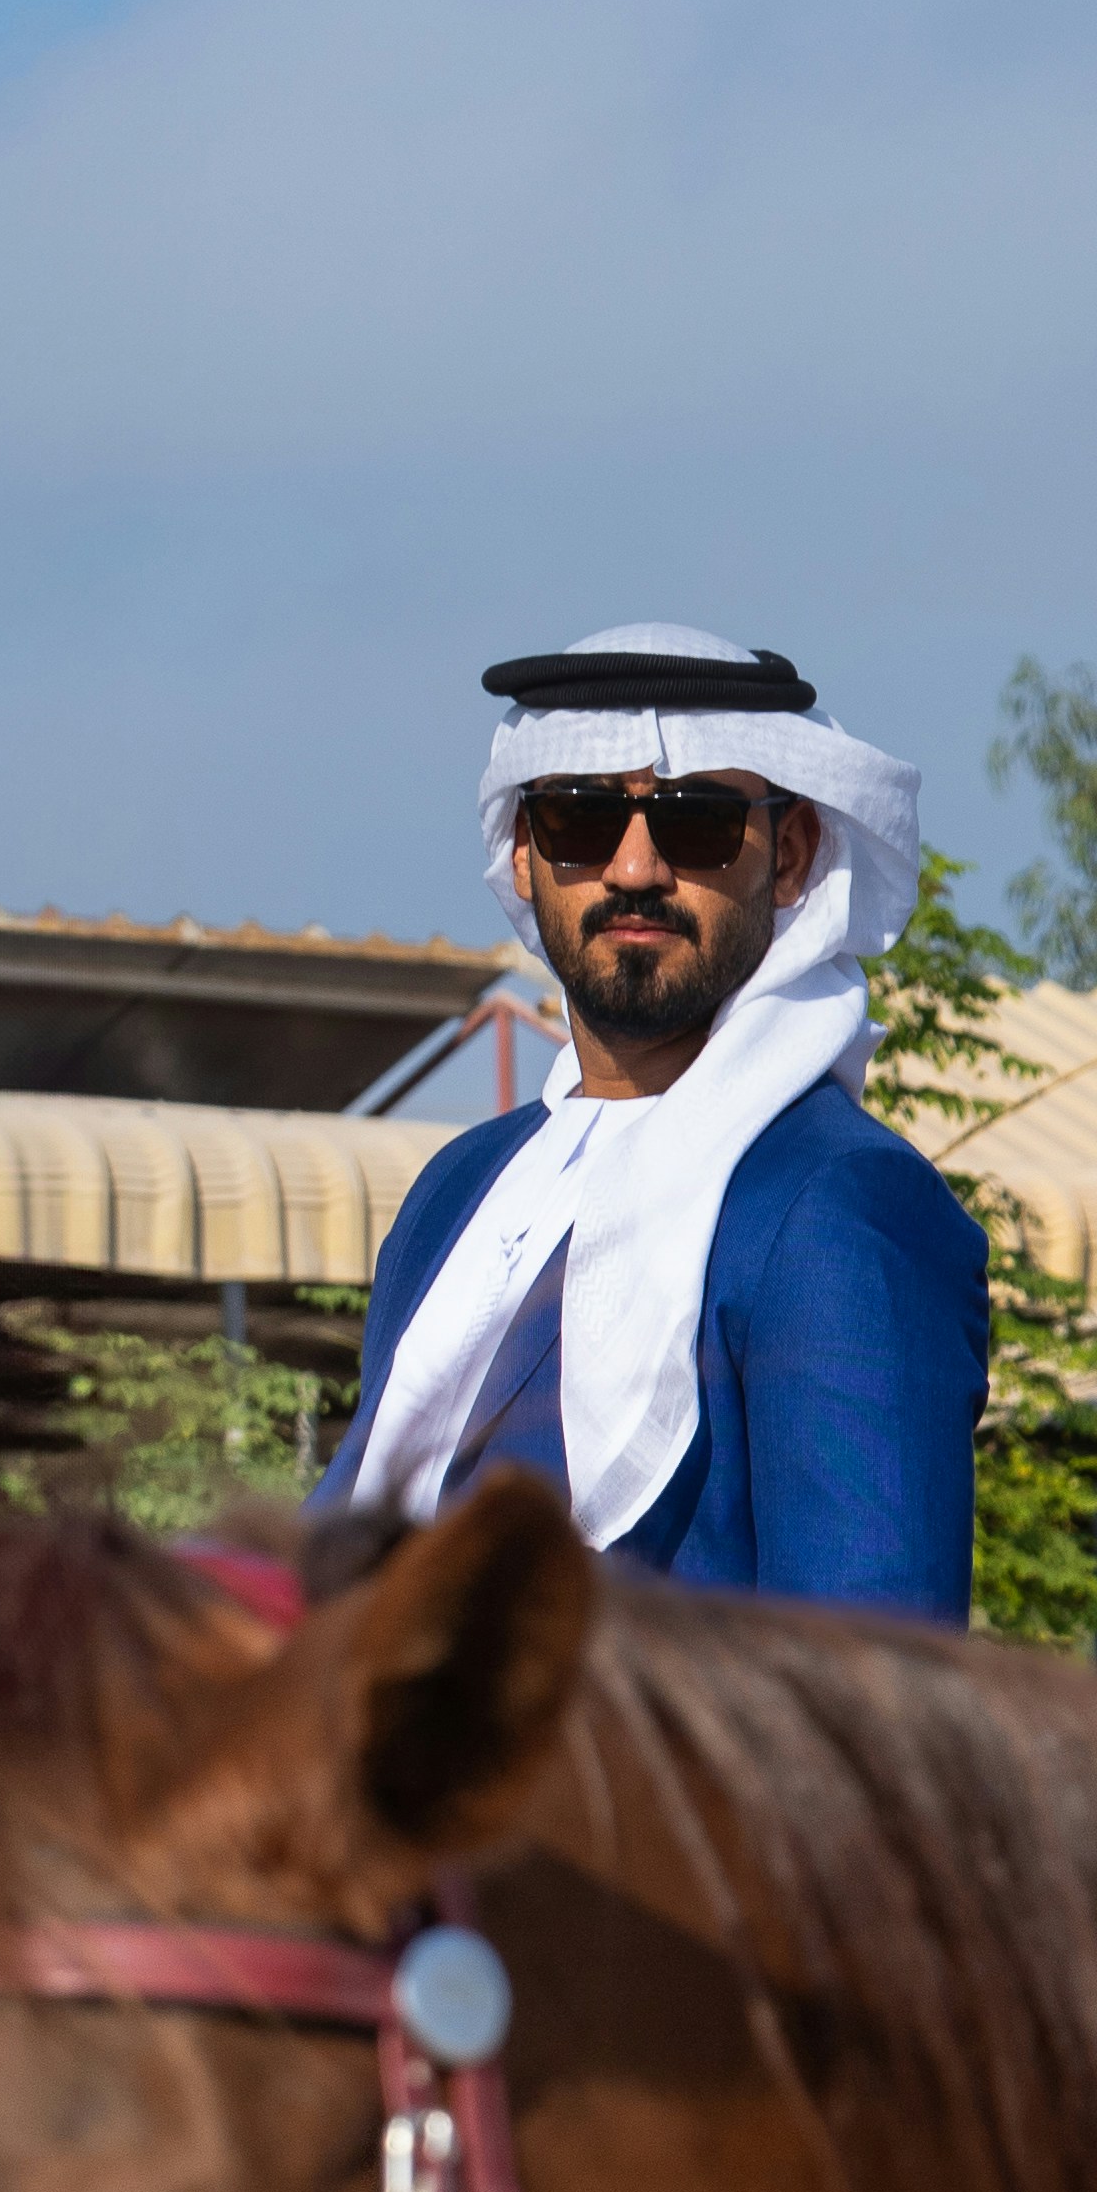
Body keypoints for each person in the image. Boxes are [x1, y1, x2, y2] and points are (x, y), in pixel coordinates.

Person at [331, 627, 994, 1619]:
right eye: (579, 817)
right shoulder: (457, 1194)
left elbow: (872, 1696)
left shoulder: (839, 1203)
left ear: (792, 854)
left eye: (696, 825)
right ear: (523, 855)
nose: (634, 869)